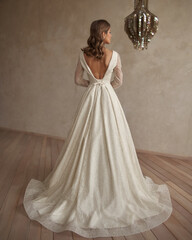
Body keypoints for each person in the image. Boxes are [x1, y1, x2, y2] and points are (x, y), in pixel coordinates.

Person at [23, 19, 173, 238]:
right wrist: (107, 87)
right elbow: (119, 80)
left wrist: (92, 85)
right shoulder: (115, 56)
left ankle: (84, 183)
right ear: (102, 34)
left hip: (91, 98)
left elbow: (77, 79)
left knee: (85, 139)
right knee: (113, 139)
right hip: (109, 99)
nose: (111, 35)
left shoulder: (83, 54)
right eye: (109, 32)